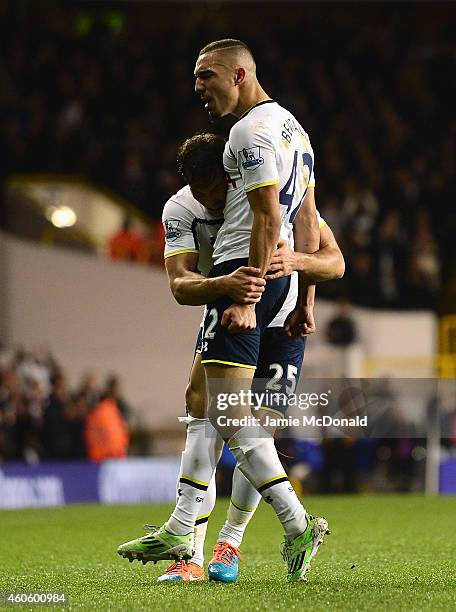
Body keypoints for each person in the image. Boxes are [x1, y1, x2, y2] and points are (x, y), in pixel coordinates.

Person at [119, 39, 331, 583]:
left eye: (206, 77)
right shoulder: (295, 132)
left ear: (239, 74)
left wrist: (247, 293)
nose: (198, 89)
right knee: (203, 400)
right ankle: (187, 533)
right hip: (265, 281)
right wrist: (301, 294)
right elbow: (302, 219)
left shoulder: (249, 132)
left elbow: (265, 219)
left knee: (231, 413)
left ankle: (292, 523)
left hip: (249, 278)